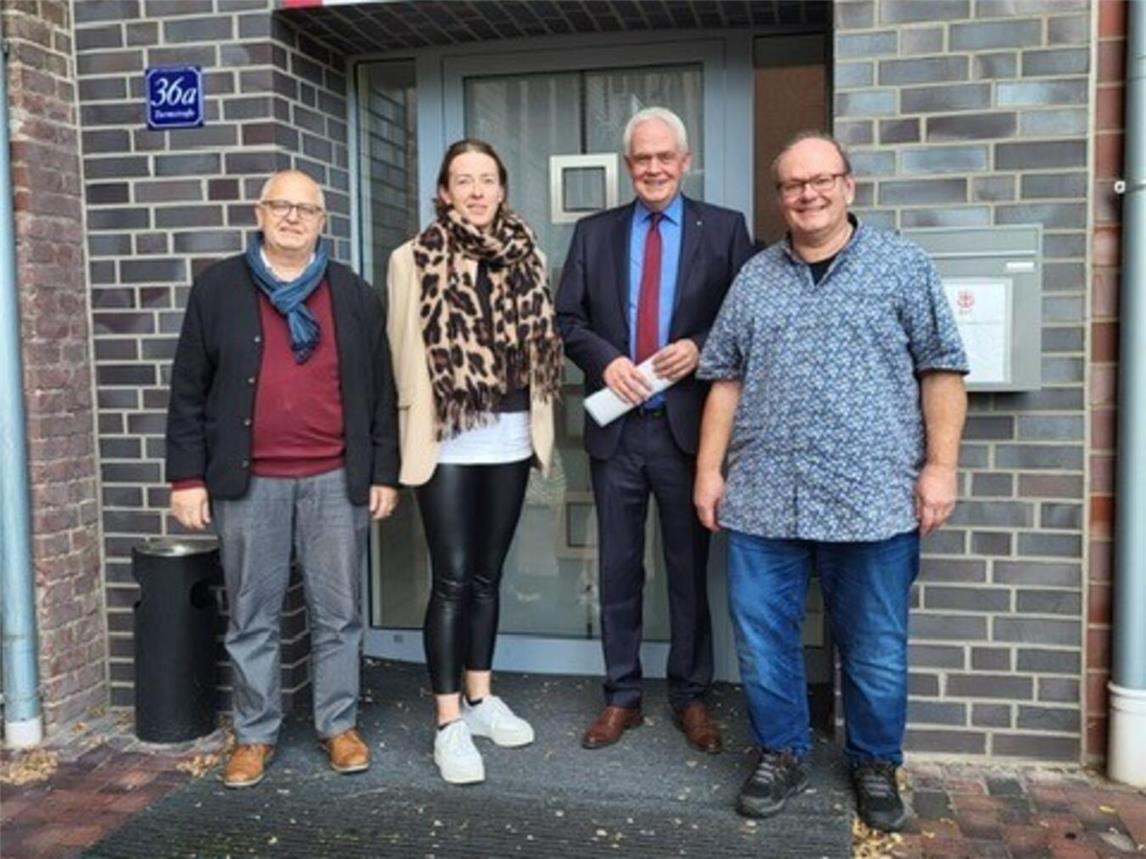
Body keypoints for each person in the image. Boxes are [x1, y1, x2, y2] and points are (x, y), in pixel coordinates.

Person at [694, 131, 969, 830]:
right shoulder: (755, 277)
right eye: (793, 184)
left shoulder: (903, 267)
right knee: (762, 639)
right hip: (763, 499)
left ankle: (875, 762)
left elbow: (942, 370)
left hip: (873, 500)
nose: (808, 194)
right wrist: (707, 471)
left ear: (848, 185)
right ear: (780, 196)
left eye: (822, 179)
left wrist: (941, 467)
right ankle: (780, 750)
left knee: (875, 644)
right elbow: (723, 380)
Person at [165, 170, 400, 788]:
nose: (294, 217)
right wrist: (187, 477)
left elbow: (381, 392)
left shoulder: (353, 293)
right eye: (281, 206)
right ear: (259, 213)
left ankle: (339, 726)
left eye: (307, 209)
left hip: (333, 478)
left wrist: (383, 472)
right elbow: (187, 390)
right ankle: (255, 734)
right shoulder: (217, 289)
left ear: (324, 222)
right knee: (252, 616)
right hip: (249, 483)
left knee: (339, 614)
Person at [556, 107, 753, 754]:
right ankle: (621, 696)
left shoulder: (724, 230)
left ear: (686, 161)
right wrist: (604, 359)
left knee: (688, 569)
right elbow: (567, 319)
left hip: (687, 432)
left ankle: (692, 697)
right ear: (628, 166)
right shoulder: (594, 234)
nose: (654, 168)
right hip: (618, 433)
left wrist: (700, 346)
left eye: (665, 157)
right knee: (617, 567)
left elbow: (744, 318)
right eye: (642, 158)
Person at [386, 139, 563, 785]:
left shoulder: (530, 254)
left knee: (489, 575)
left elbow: (542, 348)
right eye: (464, 180)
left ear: (502, 188)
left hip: (512, 433)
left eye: (488, 178)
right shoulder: (413, 258)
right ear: (444, 192)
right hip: (449, 438)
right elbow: (402, 350)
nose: (477, 190)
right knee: (453, 578)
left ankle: (482, 698)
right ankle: (448, 721)